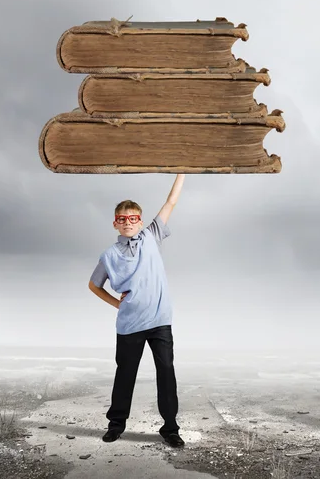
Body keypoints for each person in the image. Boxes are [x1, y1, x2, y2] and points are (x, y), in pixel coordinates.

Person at [88, 174, 186, 448]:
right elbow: (94, 285)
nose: (128, 222)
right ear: (115, 223)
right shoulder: (109, 255)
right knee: (125, 375)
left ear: (140, 222)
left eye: (133, 218)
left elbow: (171, 201)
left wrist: (183, 170)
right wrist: (117, 303)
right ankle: (116, 425)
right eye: (123, 219)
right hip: (129, 325)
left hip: (159, 321)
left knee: (166, 372)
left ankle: (170, 428)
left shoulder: (152, 236)